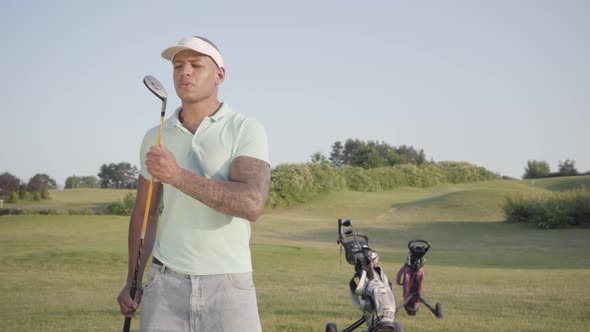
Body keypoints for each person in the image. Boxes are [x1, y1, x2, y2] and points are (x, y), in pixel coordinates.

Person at [117, 36, 271, 332]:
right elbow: (145, 212)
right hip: (165, 284)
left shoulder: (245, 128)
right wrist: (133, 280)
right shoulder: (156, 136)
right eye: (177, 66)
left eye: (196, 65)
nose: (184, 72)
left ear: (220, 76)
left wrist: (177, 176)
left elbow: (252, 203)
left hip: (229, 284)